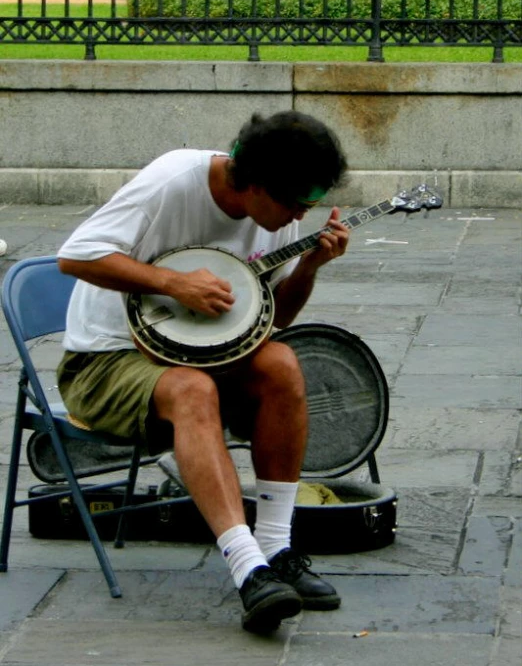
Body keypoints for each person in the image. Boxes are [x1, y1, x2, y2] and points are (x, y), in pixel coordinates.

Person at [56, 110, 350, 633]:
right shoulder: (173, 181)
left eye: (308, 204)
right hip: (105, 361)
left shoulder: (281, 208)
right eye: (292, 203)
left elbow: (271, 319)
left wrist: (308, 268)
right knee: (192, 390)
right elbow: (74, 256)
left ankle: (276, 549)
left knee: (281, 361)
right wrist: (170, 283)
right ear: (255, 184)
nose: (298, 215)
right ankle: (248, 570)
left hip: (204, 354)